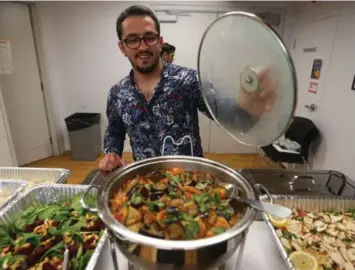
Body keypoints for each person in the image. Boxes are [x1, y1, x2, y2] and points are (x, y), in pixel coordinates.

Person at [99, 5, 276, 172]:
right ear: (122, 47)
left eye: (149, 37)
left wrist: (246, 110)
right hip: (145, 184)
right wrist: (111, 153)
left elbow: (225, 114)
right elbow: (114, 132)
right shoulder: (117, 94)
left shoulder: (189, 80)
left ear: (160, 42)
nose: (143, 46)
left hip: (190, 184)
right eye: (132, 40)